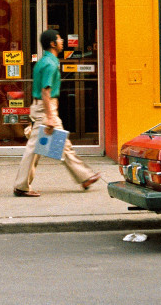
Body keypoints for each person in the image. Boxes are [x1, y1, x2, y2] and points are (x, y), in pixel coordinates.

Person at [13, 30, 100, 197]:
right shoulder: (50, 64)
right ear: (53, 44)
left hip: (43, 108)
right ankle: (21, 186)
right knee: (35, 149)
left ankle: (85, 177)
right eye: (59, 38)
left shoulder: (43, 62)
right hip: (45, 110)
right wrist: (51, 116)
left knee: (60, 145)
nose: (62, 40)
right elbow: (46, 91)